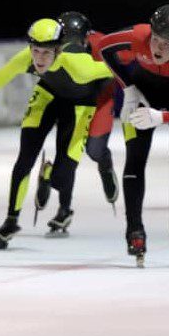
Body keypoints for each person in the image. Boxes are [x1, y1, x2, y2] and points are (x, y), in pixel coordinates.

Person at [0, 18, 112, 249]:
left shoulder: (80, 66)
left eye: (46, 53)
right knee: (25, 158)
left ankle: (50, 175)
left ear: (59, 50)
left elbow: (121, 70)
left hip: (80, 104)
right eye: (36, 51)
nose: (39, 59)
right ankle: (10, 221)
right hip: (48, 95)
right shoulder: (26, 58)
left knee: (62, 179)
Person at [96, 4, 169, 267]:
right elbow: (104, 46)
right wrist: (127, 88)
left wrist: (163, 117)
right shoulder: (139, 35)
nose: (158, 49)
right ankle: (134, 230)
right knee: (135, 159)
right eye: (157, 40)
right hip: (143, 90)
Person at [55, 11, 121, 209]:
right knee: (68, 154)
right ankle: (64, 208)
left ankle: (105, 164)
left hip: (101, 101)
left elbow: (115, 73)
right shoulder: (52, 48)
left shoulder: (102, 45)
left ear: (87, 38)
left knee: (94, 150)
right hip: (73, 102)